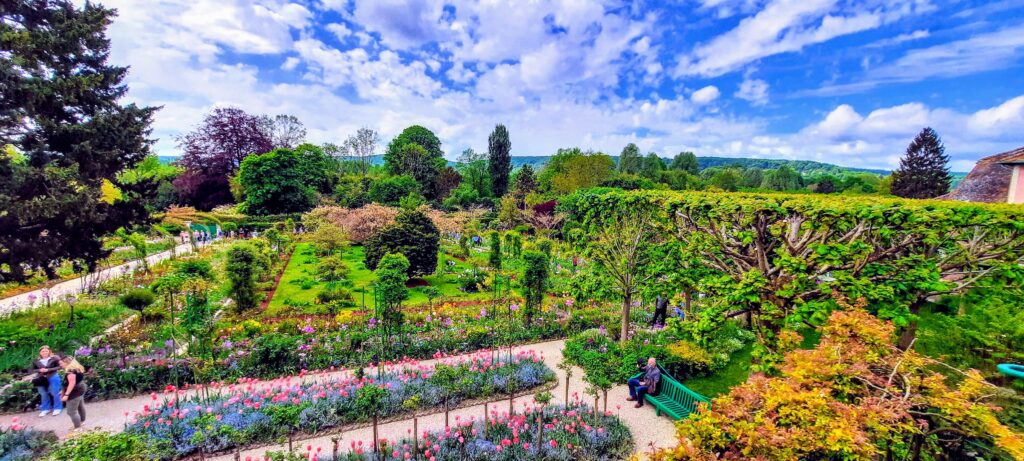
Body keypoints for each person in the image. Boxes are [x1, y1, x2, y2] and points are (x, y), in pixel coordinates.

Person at [32, 346, 63, 417]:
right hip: (41, 378)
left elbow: (60, 366)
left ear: (49, 351)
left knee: (55, 392)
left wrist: (48, 370)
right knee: (43, 393)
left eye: (46, 351)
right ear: (40, 352)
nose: (44, 352)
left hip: (53, 376)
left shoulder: (54, 358)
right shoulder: (36, 360)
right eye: (42, 351)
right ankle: (45, 409)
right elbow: (32, 370)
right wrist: (39, 370)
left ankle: (57, 408)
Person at [58, 355, 87, 430]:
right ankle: (82, 421)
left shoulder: (70, 371)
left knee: (71, 411)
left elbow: (71, 383)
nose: (60, 365)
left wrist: (66, 394)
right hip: (80, 388)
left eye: (61, 363)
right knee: (80, 406)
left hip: (75, 391)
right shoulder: (77, 368)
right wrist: (63, 390)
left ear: (67, 362)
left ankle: (77, 427)